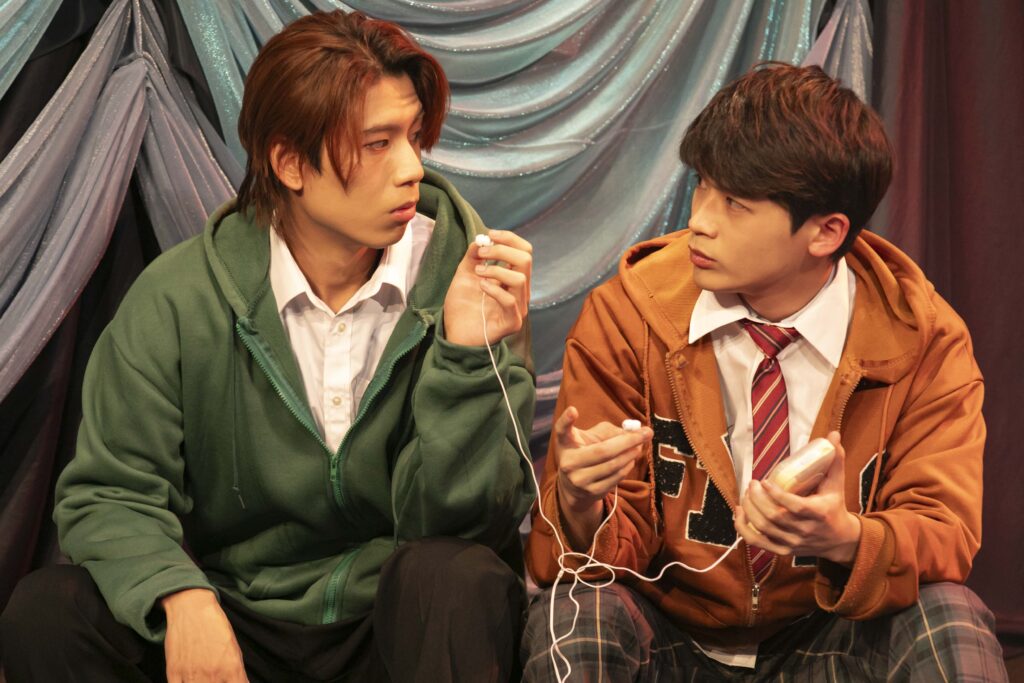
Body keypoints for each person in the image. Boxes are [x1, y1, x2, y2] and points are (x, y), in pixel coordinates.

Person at [0, 10, 535, 683]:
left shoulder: (470, 287)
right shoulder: (177, 298)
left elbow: (471, 522)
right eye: (377, 143)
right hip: (236, 623)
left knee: (455, 577)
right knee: (49, 611)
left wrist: (464, 356)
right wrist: (180, 595)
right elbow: (109, 493)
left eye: (412, 136)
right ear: (289, 163)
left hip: (392, 625)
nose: (410, 169)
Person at [522, 63, 1007, 681]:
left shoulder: (924, 339)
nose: (701, 220)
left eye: (735, 204)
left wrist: (844, 537)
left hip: (829, 633)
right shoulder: (629, 314)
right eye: (703, 186)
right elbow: (589, 561)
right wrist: (578, 500)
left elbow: (943, 534)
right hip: (669, 632)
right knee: (575, 614)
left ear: (825, 232)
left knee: (949, 616)